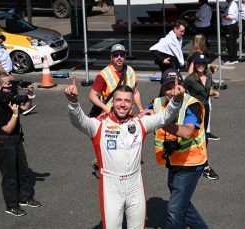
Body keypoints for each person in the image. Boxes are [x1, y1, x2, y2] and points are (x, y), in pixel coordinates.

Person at [65, 76, 185, 229]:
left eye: (127, 101)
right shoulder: (99, 125)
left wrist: (176, 101)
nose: (122, 104)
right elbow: (79, 121)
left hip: (135, 185)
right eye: (119, 100)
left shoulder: (140, 122)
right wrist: (73, 103)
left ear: (133, 104)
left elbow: (164, 117)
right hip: (111, 186)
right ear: (112, 102)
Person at [147, 68, 209, 228]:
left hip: (190, 163)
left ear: (182, 86)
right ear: (162, 88)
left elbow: (187, 132)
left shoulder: (192, 104)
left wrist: (160, 121)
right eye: (167, 87)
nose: (171, 91)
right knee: (182, 204)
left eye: (175, 86)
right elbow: (143, 116)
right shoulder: (158, 102)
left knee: (175, 210)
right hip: (173, 161)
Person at [0, 70, 41, 217]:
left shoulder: (7, 96)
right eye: (8, 84)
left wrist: (30, 95)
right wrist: (15, 113)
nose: (11, 87)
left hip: (17, 140)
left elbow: (25, 107)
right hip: (4, 143)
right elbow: (8, 128)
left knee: (23, 171)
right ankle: (11, 205)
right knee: (9, 176)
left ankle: (25, 198)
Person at [89, 44, 144, 172]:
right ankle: (101, 163)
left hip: (127, 115)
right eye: (116, 55)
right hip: (110, 117)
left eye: (122, 55)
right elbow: (92, 96)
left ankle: (121, 167)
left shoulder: (130, 71)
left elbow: (135, 92)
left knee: (127, 141)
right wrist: (106, 108)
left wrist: (141, 110)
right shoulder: (103, 75)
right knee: (112, 144)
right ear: (111, 57)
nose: (119, 57)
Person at [183, 53, 220, 180]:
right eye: (198, 63)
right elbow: (181, 92)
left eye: (203, 63)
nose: (201, 65)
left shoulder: (208, 75)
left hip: (206, 109)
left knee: (204, 136)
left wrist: (214, 93)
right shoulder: (189, 79)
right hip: (195, 110)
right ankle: (205, 166)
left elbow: (207, 91)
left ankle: (198, 161)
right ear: (194, 64)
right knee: (199, 136)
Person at [0, 31, 36, 115]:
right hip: (1, 76)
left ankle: (19, 107)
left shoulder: (0, 46)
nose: (1, 39)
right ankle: (10, 110)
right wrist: (8, 75)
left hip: (5, 74)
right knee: (4, 93)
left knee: (12, 92)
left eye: (1, 37)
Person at [222, 0, 239, 65]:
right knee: (234, 43)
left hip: (230, 26)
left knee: (230, 43)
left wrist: (222, 16)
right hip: (233, 25)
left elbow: (230, 18)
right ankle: (235, 58)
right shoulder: (232, 4)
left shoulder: (232, 6)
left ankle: (231, 59)